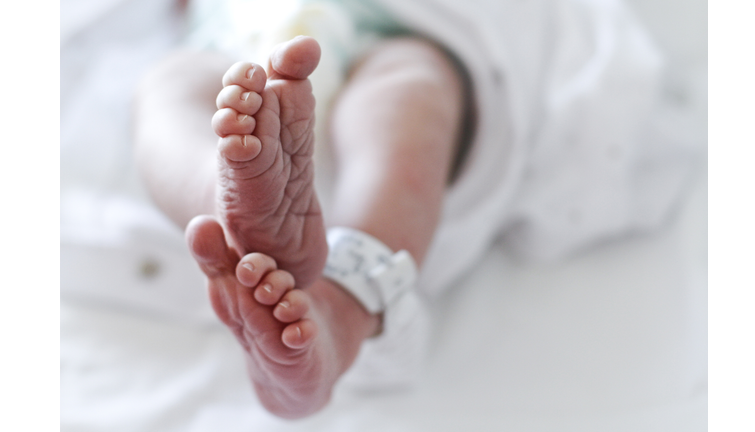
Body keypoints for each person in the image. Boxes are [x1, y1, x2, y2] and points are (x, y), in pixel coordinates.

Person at [133, 0, 697, 420]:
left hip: (397, 26)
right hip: (242, 49)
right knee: (170, 88)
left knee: (409, 90)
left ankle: (338, 302)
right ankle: (235, 198)